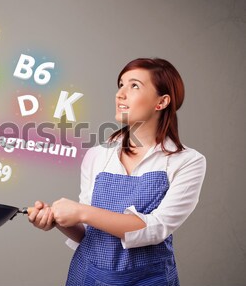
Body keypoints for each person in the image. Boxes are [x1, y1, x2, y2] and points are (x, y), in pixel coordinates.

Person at [28, 58, 207, 286]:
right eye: (120, 85)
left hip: (149, 280)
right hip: (88, 277)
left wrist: (82, 212)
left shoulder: (188, 162)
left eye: (134, 86)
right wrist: (58, 221)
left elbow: (156, 228)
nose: (120, 94)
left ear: (161, 102)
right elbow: (89, 233)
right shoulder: (97, 155)